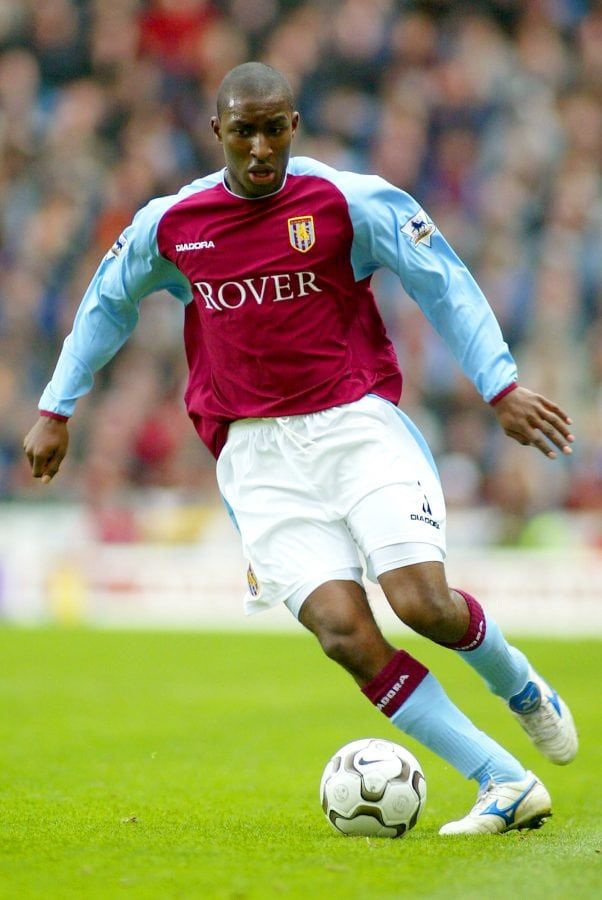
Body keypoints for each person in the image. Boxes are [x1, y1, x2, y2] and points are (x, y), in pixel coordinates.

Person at [24, 62, 578, 835]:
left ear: (294, 126)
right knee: (344, 634)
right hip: (255, 459)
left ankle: (520, 689)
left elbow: (442, 281)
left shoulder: (349, 202)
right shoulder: (173, 223)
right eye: (243, 130)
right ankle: (503, 780)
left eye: (273, 128)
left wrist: (501, 386)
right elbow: (106, 301)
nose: (259, 148)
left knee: (421, 604)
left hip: (355, 427)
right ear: (217, 132)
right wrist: (58, 406)